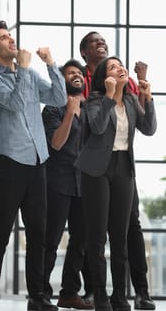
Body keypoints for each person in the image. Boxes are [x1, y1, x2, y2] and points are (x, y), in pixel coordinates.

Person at [0, 20, 67, 311]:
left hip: (38, 160)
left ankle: (37, 296)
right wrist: (25, 69)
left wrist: (51, 63)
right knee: (2, 231)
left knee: (38, 233)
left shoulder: (29, 72)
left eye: (10, 35)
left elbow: (59, 97)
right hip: (11, 163)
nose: (11, 40)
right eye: (4, 38)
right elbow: (15, 105)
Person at [79, 31, 156, 310]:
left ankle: (120, 295)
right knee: (97, 236)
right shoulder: (95, 101)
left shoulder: (133, 101)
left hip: (124, 166)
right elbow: (98, 128)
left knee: (120, 235)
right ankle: (100, 293)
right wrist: (111, 96)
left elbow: (149, 129)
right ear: (104, 77)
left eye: (120, 64)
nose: (120, 68)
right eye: (113, 67)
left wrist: (149, 96)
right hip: (96, 169)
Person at [42, 59, 93, 309]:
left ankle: (69, 292)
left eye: (79, 73)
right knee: (51, 239)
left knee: (80, 240)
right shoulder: (53, 108)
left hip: (84, 184)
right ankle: (40, 293)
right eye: (70, 73)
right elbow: (56, 143)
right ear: (61, 80)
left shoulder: (91, 109)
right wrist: (70, 111)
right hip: (58, 182)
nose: (76, 75)